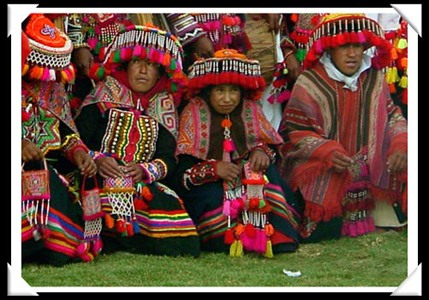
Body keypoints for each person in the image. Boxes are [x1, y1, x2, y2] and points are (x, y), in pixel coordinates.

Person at [74, 24, 200, 257]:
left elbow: (168, 158)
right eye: (137, 62)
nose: (143, 70)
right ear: (125, 65)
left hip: (141, 184)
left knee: (181, 232)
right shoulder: (103, 95)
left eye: (151, 65)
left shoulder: (163, 104)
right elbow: (77, 140)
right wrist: (98, 160)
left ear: (161, 72)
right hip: (97, 177)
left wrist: (144, 170)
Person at [279, 14, 407, 242]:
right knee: (324, 233)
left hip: (371, 166)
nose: (353, 54)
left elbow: (392, 116)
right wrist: (325, 150)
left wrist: (400, 143)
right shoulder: (309, 82)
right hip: (324, 166)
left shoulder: (375, 77)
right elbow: (293, 131)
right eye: (344, 46)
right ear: (329, 50)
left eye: (357, 46)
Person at [175, 49, 301, 256]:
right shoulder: (194, 112)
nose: (227, 99)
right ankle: (228, 239)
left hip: (247, 176)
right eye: (220, 91)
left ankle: (276, 237)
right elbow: (183, 172)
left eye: (233, 91)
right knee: (214, 196)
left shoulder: (249, 108)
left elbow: (269, 145)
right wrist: (214, 169)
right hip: (209, 183)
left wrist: (261, 152)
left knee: (269, 180)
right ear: (208, 91)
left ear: (242, 91)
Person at [21, 14, 97, 266]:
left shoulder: (52, 88)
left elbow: (66, 134)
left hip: (48, 172)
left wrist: (78, 152)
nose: (48, 75)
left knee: (61, 250)